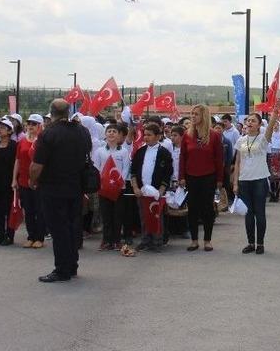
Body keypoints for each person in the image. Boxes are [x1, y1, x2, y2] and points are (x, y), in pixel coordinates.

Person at [30, 99, 91, 283]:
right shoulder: (82, 131)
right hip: (76, 187)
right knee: (72, 227)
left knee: (58, 229)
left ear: (51, 113)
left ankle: (62, 269)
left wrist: (33, 180)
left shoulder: (49, 133)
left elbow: (37, 165)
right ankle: (72, 265)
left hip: (53, 188)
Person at [179, 104, 224, 252]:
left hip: (208, 177)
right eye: (192, 114)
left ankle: (207, 240)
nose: (193, 116)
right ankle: (194, 240)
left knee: (207, 210)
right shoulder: (187, 135)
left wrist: (219, 179)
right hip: (191, 177)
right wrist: (181, 176)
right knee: (192, 209)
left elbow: (219, 159)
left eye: (196, 114)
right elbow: (182, 157)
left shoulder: (214, 135)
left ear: (203, 116)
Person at [232, 113, 276, 254]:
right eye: (248, 120)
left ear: (258, 125)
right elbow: (238, 163)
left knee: (260, 213)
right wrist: (235, 183)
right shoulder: (241, 140)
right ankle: (251, 243)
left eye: (253, 121)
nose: (249, 123)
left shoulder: (263, 139)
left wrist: (274, 114)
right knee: (248, 213)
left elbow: (269, 128)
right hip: (244, 181)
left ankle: (260, 244)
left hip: (259, 180)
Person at [131, 123, 172, 252]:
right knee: (143, 216)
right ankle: (145, 240)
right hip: (142, 191)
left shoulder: (164, 153)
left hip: (156, 192)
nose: (146, 137)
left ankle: (157, 241)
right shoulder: (140, 151)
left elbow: (167, 173)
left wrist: (161, 190)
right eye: (145, 135)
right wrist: (136, 188)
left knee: (157, 216)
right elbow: (133, 171)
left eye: (149, 135)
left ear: (158, 136)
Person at [93, 123, 132, 251]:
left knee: (118, 215)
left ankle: (116, 240)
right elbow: (96, 168)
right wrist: (102, 181)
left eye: (114, 131)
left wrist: (120, 181)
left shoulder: (124, 151)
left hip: (118, 188)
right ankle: (106, 240)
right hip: (104, 188)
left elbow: (126, 168)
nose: (111, 133)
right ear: (105, 134)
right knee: (106, 214)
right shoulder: (100, 151)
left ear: (118, 135)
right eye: (109, 131)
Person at [13, 114, 45, 249]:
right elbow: (18, 161)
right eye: (29, 124)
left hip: (39, 181)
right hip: (24, 180)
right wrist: (14, 178)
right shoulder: (22, 141)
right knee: (28, 210)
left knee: (39, 210)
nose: (30, 127)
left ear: (40, 126)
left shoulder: (43, 141)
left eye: (34, 124)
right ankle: (31, 236)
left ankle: (40, 237)